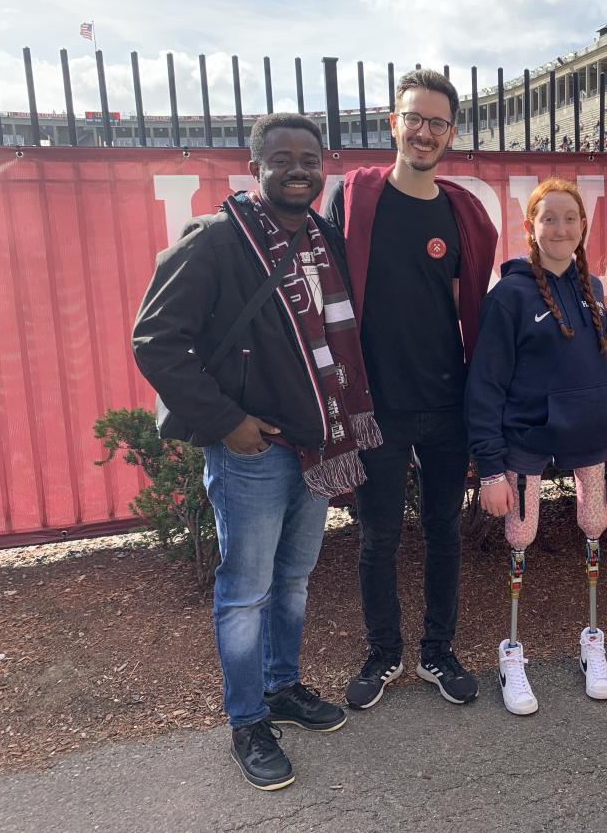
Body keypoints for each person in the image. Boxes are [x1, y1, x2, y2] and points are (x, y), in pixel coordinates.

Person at [133, 113, 381, 790]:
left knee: (293, 579)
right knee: (245, 593)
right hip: (252, 449)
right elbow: (154, 340)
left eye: (309, 157)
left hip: (317, 442)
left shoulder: (324, 238)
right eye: (282, 158)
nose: (298, 168)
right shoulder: (216, 241)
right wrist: (226, 420)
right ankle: (246, 718)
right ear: (255, 166)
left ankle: (281, 689)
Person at [327, 69, 498, 711]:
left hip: (447, 403)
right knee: (376, 537)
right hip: (379, 407)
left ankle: (437, 651)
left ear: (451, 133)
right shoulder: (354, 199)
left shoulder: (462, 213)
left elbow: (471, 307)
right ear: (392, 123)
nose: (424, 132)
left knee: (443, 531)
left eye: (438, 122)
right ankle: (383, 652)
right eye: (414, 119)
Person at [466, 178, 607, 716]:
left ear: (583, 227)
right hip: (525, 442)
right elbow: (484, 385)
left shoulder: (593, 288)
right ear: (530, 228)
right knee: (522, 533)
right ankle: (512, 654)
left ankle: (592, 645)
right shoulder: (508, 295)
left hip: (587, 439)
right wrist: (490, 469)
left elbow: (594, 369)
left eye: (570, 219)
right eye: (548, 218)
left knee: (595, 526)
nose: (560, 229)